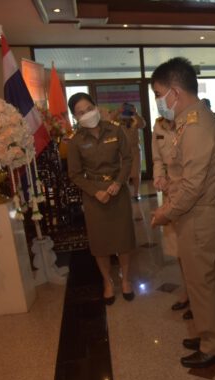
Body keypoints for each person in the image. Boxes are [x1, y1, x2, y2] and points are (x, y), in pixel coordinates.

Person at [149, 57, 215, 369]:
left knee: (202, 283)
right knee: (202, 282)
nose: (158, 101)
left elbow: (192, 185)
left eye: (159, 94)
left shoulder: (195, 126)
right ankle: (209, 331)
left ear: (175, 91)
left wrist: (166, 212)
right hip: (196, 213)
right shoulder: (188, 121)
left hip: (199, 215)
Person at [67, 92, 136, 305]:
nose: (87, 114)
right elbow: (75, 174)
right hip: (94, 195)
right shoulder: (76, 141)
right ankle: (108, 282)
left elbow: (127, 159)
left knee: (123, 239)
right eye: (81, 112)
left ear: (96, 107)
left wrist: (118, 182)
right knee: (100, 243)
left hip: (118, 190)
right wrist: (95, 191)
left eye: (89, 109)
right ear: (75, 117)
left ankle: (126, 279)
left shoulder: (115, 130)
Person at [151, 115, 192, 320]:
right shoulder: (159, 125)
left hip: (191, 192)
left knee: (194, 249)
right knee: (178, 248)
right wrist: (159, 176)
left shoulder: (191, 121)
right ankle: (188, 291)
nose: (161, 101)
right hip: (171, 192)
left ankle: (199, 296)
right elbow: (158, 159)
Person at [118, 102, 147, 200]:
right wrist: (118, 111)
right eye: (125, 108)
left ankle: (136, 192)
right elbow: (109, 121)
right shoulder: (118, 120)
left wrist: (135, 113)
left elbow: (143, 124)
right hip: (122, 151)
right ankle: (125, 193)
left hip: (135, 150)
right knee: (124, 173)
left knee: (136, 172)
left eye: (129, 108)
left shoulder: (135, 120)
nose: (127, 110)